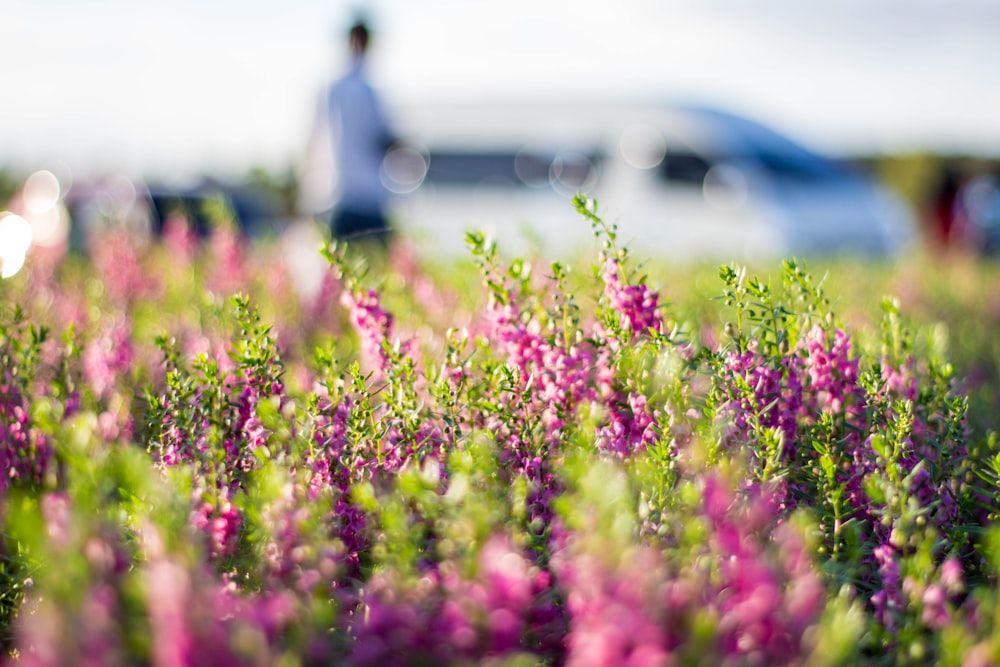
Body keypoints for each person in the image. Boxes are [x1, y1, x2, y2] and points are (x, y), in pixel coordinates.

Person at [319, 20, 396, 248]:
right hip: (366, 198)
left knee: (339, 273)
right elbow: (382, 139)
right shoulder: (370, 91)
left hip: (343, 197)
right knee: (378, 272)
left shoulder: (335, 88)